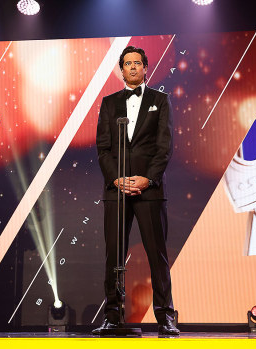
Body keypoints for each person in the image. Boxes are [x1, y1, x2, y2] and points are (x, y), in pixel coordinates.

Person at [93, 46, 179, 335]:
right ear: (121, 70)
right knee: (113, 256)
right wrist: (117, 179)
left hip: (150, 190)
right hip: (116, 190)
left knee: (157, 254)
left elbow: (164, 147)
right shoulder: (108, 103)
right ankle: (113, 316)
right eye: (127, 63)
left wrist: (148, 179)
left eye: (137, 63)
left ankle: (166, 316)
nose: (132, 67)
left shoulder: (161, 101)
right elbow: (103, 148)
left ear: (145, 67)